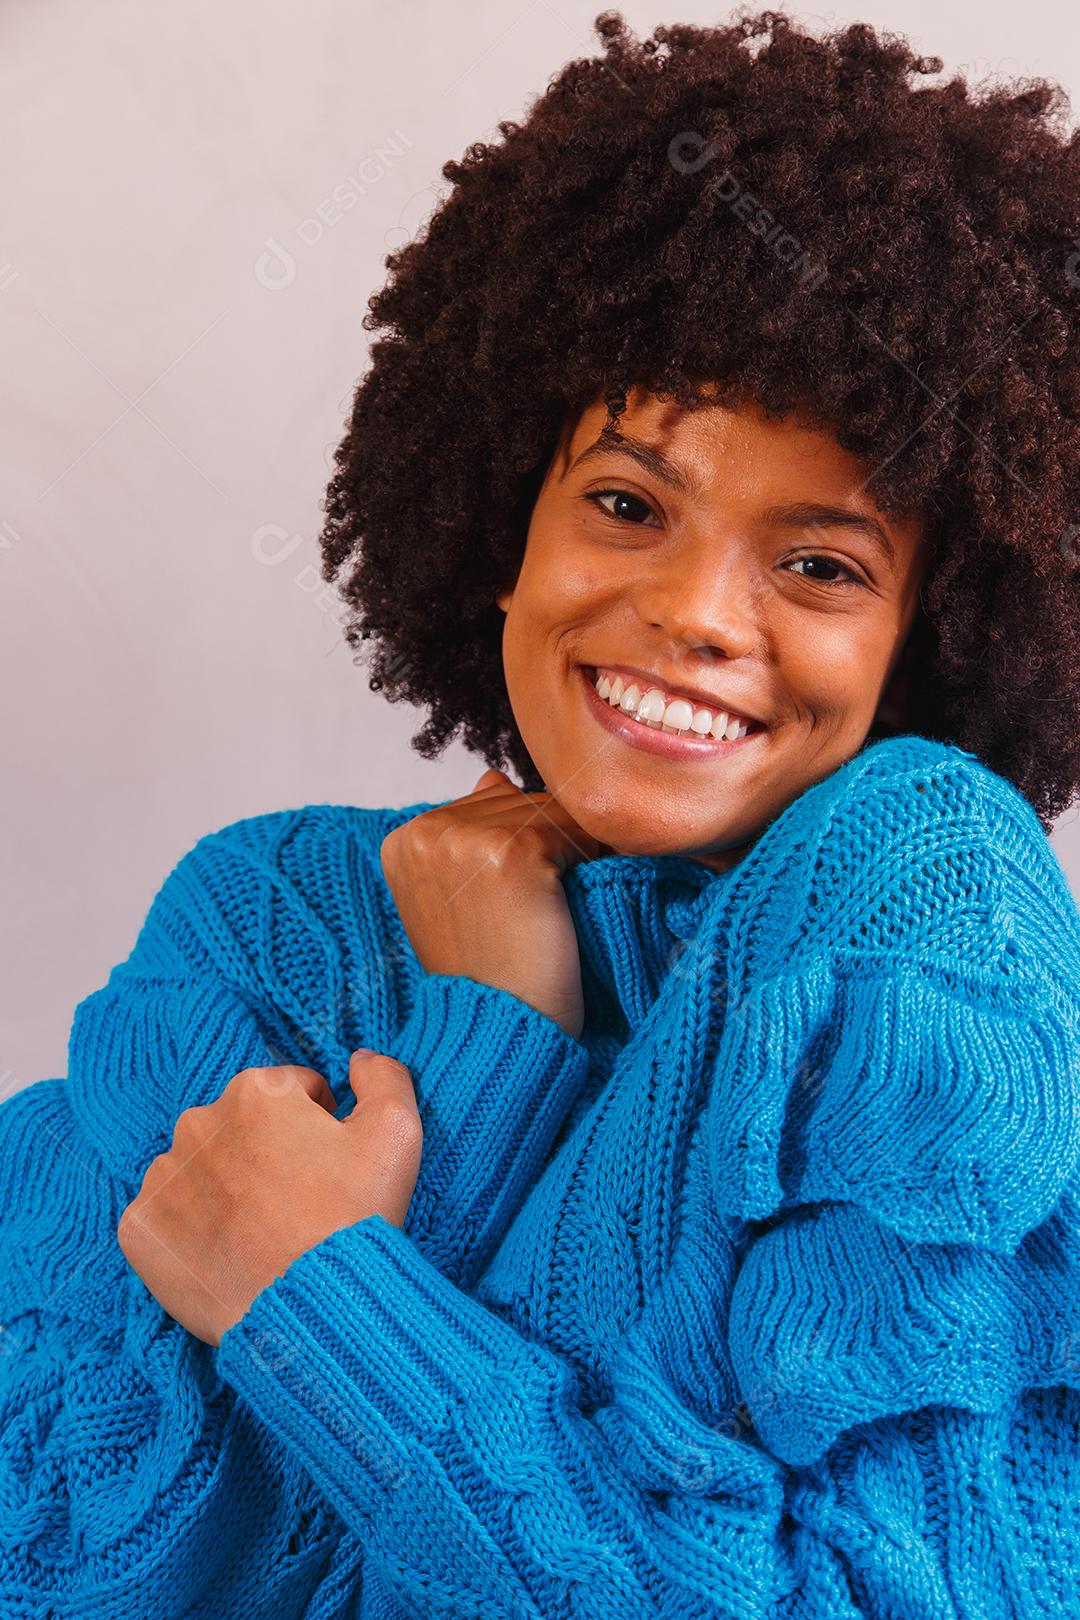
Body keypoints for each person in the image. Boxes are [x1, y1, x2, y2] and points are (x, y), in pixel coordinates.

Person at [4, 9, 1080, 1616]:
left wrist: (319, 1290)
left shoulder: (920, 909)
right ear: (503, 516)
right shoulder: (269, 919)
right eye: (629, 505)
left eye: (821, 563)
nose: (700, 615)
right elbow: (75, 1568)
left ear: (934, 630)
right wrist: (488, 1021)